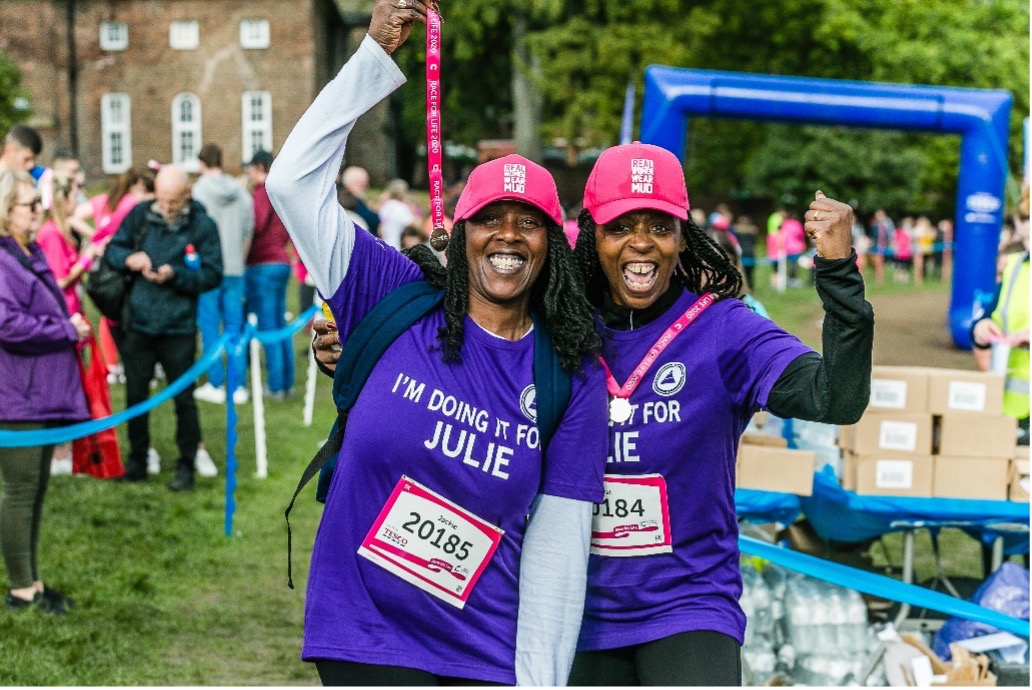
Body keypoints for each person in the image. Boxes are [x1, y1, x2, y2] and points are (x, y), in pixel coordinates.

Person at [266, 1, 607, 684]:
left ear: (553, 246)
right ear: (462, 232)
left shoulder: (570, 371)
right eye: (490, 220)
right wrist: (371, 61)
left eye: (529, 223)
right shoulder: (390, 290)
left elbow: (558, 550)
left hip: (480, 653)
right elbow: (291, 185)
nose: (508, 236)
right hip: (361, 635)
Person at [566, 142, 873, 686]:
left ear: (683, 237)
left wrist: (839, 273)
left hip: (689, 605)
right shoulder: (560, 328)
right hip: (576, 607)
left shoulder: (724, 329)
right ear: (592, 235)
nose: (641, 243)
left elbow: (836, 399)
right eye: (620, 227)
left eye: (659, 226)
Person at [0, 168, 90, 615]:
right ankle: (20, 590)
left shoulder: (26, 251)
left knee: (33, 489)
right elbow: (7, 324)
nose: (39, 209)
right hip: (15, 392)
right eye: (28, 204)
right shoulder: (1, 259)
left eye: (37, 202)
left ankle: (32, 581)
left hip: (36, 388)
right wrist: (64, 328)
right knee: (19, 489)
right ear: (5, 211)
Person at [102, 165, 222, 491]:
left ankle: (186, 465)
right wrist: (130, 259)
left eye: (173, 202)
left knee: (183, 398)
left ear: (187, 195)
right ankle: (138, 459)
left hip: (178, 327)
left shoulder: (202, 224)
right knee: (136, 396)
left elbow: (213, 273)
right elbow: (112, 249)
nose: (166, 208)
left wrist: (176, 274)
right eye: (162, 200)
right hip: (138, 324)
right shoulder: (141, 215)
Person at [191, 143, 253, 408]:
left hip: (210, 268)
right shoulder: (241, 193)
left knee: (209, 328)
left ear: (202, 163)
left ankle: (216, 383)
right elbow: (249, 232)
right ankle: (238, 385)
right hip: (236, 267)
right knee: (234, 328)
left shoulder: (199, 191)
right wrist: (239, 259)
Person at [971, 185, 1029, 447]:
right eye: (1024, 217)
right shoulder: (1014, 266)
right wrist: (981, 329)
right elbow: (988, 317)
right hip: (1009, 405)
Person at [244, 149, 296, 400]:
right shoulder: (282, 194)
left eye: (251, 168)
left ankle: (275, 386)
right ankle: (287, 382)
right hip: (281, 262)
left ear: (259, 167)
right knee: (280, 325)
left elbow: (255, 223)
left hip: (262, 264)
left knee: (268, 327)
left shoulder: (262, 192)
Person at [339, 165, 380, 236]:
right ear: (353, 183)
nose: (367, 187)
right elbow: (371, 219)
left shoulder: (346, 196)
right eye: (363, 184)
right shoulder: (347, 199)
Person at [377, 178, 416, 249]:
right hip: (396, 246)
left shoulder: (385, 206)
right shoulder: (401, 207)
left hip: (383, 244)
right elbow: (413, 224)